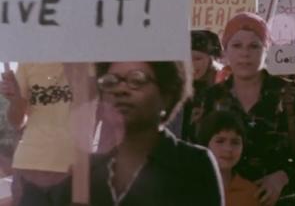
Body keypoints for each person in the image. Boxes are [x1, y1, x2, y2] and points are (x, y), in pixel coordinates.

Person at [201, 12, 295, 206]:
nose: (245, 53)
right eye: (236, 45)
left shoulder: (292, 95)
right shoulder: (211, 99)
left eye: (254, 45)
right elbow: (196, 155)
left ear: (266, 49)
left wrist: (284, 176)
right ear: (226, 51)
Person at [60, 61, 224, 206]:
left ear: (166, 95)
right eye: (110, 82)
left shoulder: (193, 166)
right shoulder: (85, 172)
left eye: (136, 80)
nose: (121, 90)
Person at [0, 63, 76, 206]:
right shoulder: (27, 64)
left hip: (72, 165)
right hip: (28, 165)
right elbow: (17, 122)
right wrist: (14, 99)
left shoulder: (87, 63)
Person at [198, 111, 260, 206]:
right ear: (205, 145)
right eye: (220, 141)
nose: (228, 149)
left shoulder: (252, 193)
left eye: (235, 142)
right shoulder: (188, 189)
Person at [181, 30, 222, 141]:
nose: (191, 64)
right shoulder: (176, 87)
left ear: (210, 59)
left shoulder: (222, 88)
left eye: (198, 58)